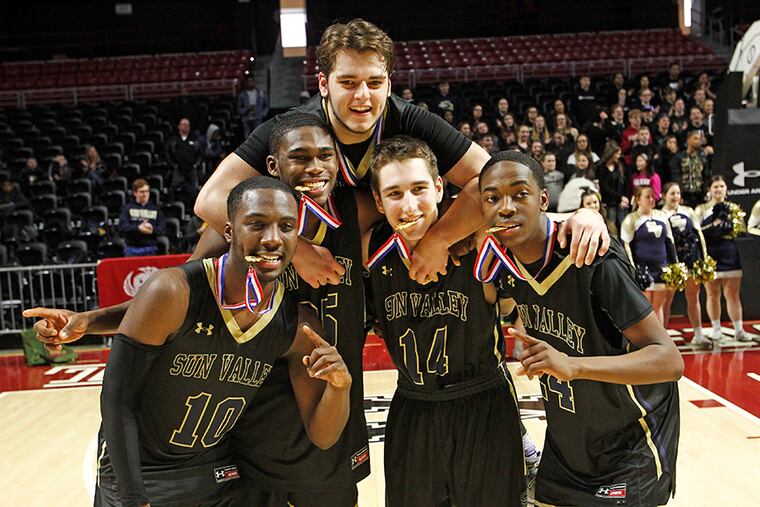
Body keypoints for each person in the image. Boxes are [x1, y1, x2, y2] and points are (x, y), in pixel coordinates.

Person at [97, 177, 352, 506]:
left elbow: (323, 435)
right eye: (257, 224)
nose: (273, 239)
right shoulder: (173, 291)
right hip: (142, 474)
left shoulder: (297, 324)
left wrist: (340, 388)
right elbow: (117, 399)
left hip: (219, 473)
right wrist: (133, 498)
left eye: (286, 226)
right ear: (230, 231)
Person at [196, 19, 491, 288]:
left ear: (389, 84)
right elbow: (210, 198)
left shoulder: (412, 120)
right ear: (324, 84)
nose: (363, 95)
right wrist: (296, 250)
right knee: (217, 230)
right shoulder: (293, 129)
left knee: (470, 219)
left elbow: (493, 178)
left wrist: (440, 239)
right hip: (307, 235)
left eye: (375, 83)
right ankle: (191, 316)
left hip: (380, 233)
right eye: (348, 82)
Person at [478, 150, 682, 506]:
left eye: (520, 193)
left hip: (629, 443)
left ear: (544, 199)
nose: (506, 207)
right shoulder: (503, 262)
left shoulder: (592, 256)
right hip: (566, 446)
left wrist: (574, 365)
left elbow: (669, 361)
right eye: (492, 198)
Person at [365, 136, 525, 506]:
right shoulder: (370, 253)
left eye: (419, 189)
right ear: (378, 201)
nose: (408, 205)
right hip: (413, 408)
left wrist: (585, 215)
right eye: (394, 193)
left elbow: (530, 212)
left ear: (440, 188)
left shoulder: (480, 240)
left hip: (484, 405)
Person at [236, 113, 373, 506]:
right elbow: (188, 286)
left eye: (326, 156)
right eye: (300, 157)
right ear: (273, 165)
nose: (315, 167)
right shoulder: (243, 225)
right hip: (258, 428)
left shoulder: (356, 210)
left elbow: (427, 206)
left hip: (334, 417)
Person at [694, 175, 749, 342]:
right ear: (710, 190)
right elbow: (697, 232)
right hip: (710, 253)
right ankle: (716, 328)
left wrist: (729, 225)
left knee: (732, 294)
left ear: (726, 189)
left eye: (721, 186)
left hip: (729, 252)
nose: (718, 190)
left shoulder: (733, 208)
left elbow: (742, 229)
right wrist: (713, 225)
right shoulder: (701, 209)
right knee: (712, 294)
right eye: (715, 187)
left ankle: (739, 329)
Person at [661, 182, 710, 346]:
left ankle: (698, 333)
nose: (675, 197)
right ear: (664, 196)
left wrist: (703, 258)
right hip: (672, 262)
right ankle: (663, 338)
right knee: (666, 300)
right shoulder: (660, 214)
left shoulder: (688, 211)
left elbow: (699, 234)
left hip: (690, 259)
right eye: (672, 193)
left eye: (677, 193)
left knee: (693, 297)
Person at [621, 185, 677, 325]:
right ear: (638, 200)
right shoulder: (631, 219)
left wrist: (674, 265)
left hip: (661, 268)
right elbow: (626, 245)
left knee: (658, 307)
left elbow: (670, 242)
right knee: (645, 310)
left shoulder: (661, 216)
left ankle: (661, 341)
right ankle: (647, 342)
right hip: (643, 271)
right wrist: (633, 270)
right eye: (647, 197)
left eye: (653, 196)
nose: (651, 199)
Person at [118, 179, 166, 257]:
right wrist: (138, 228)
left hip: (151, 249)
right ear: (135, 193)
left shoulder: (155, 209)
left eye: (147, 191)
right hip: (131, 249)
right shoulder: (127, 209)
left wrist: (152, 230)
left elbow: (162, 229)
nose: (145, 194)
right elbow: (122, 227)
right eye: (142, 192)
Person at [670, 129, 710, 208]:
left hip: (700, 195)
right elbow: (676, 177)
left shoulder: (702, 157)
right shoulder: (679, 157)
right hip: (685, 195)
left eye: (699, 139)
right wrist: (679, 194)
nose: (698, 141)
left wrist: (705, 192)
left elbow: (706, 176)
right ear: (688, 140)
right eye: (695, 138)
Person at [166, 117, 203, 198]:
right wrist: (173, 165)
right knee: (174, 188)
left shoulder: (194, 140)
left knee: (193, 190)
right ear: (179, 126)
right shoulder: (173, 139)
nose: (186, 126)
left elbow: (200, 154)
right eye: (184, 124)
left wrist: (196, 164)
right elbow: (168, 153)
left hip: (191, 169)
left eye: (187, 125)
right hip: (178, 169)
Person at [598, 140, 629, 230]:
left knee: (624, 227)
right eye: (617, 154)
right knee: (612, 226)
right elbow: (605, 188)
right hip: (609, 203)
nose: (619, 156)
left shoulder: (620, 166)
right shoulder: (601, 168)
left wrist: (624, 198)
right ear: (611, 153)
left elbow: (625, 184)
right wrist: (620, 197)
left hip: (621, 203)